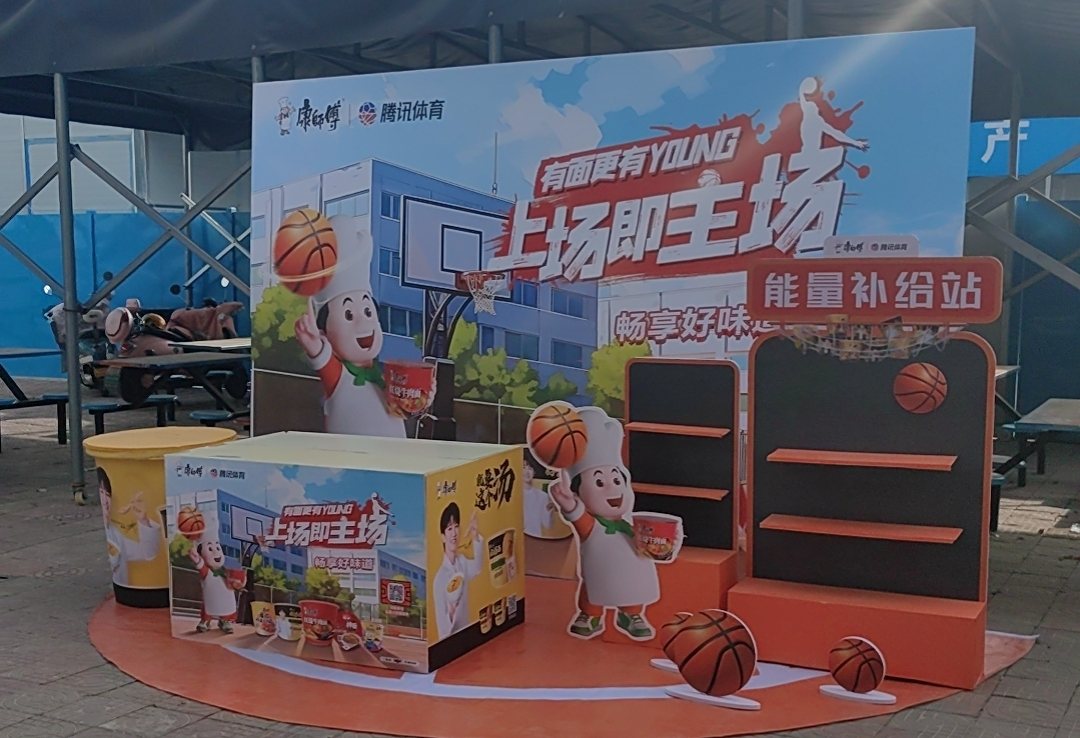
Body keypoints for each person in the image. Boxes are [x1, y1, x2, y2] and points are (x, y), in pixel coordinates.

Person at [547, 406, 660, 641]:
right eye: (599, 483)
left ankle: (631, 614)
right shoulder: (592, 524)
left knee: (634, 586)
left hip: (632, 573)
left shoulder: (632, 523)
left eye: (618, 481)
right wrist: (568, 503)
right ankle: (591, 615)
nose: (612, 489)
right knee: (594, 588)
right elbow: (576, 514)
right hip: (599, 571)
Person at [293, 216, 409, 438]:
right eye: (348, 315)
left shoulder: (387, 379)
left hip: (396, 456)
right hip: (349, 457)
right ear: (325, 330)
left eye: (368, 312)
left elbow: (408, 409)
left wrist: (423, 394)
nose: (363, 323)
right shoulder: (340, 377)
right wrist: (313, 343)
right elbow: (322, 358)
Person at [97, 468, 163, 587]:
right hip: (122, 590)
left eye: (107, 494)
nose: (105, 500)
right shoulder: (112, 532)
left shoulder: (117, 535)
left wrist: (143, 520)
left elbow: (147, 553)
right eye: (101, 492)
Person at [432, 502, 483, 640]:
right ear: (443, 536)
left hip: (467, 632)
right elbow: (441, 624)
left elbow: (477, 568)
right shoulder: (440, 578)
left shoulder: (463, 562)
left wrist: (475, 534)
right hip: (451, 638)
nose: (454, 533)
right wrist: (451, 611)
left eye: (456, 527)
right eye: (449, 529)